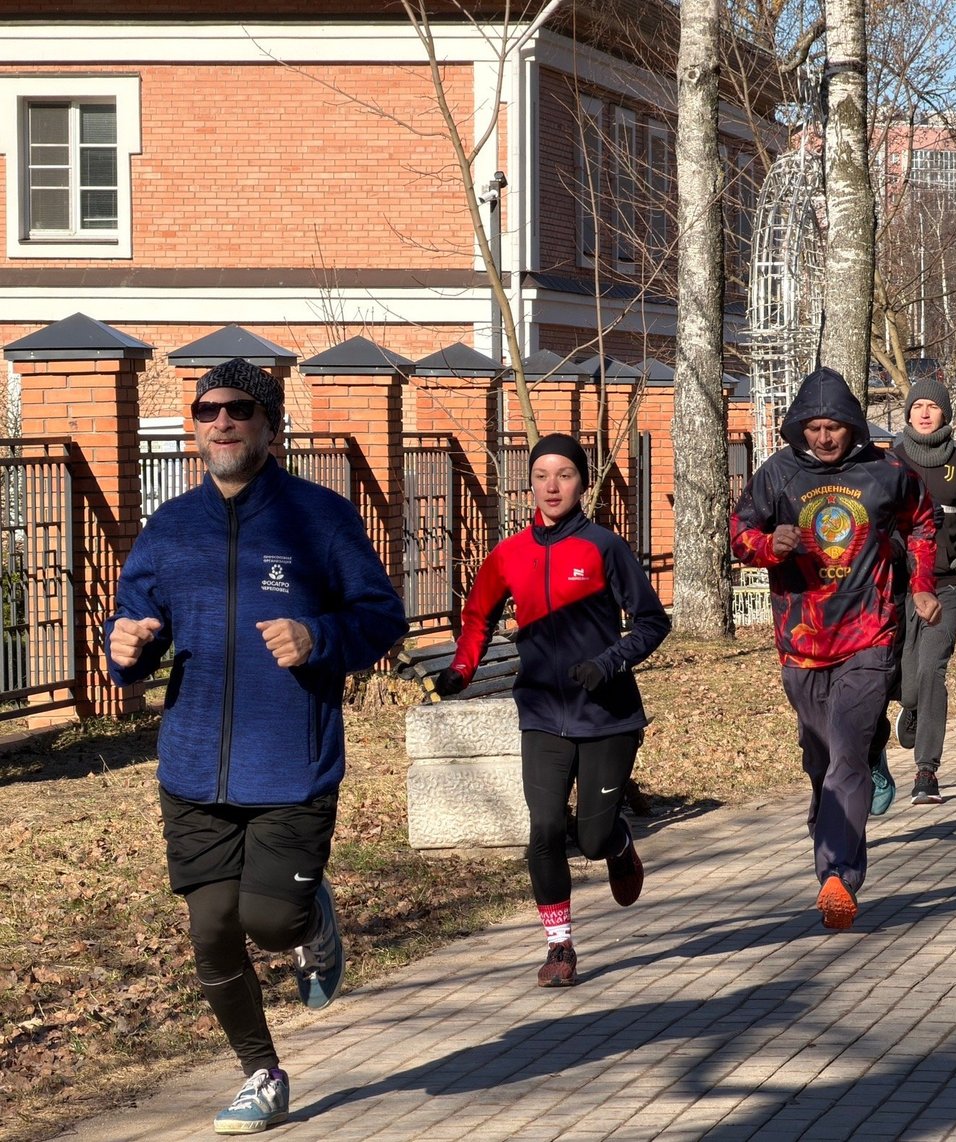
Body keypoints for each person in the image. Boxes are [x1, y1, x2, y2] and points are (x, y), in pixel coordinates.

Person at [107, 358, 408, 1135]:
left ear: (271, 425)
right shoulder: (171, 529)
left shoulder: (320, 519)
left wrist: (318, 636)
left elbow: (381, 616)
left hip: (290, 766)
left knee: (269, 921)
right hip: (192, 768)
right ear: (194, 429)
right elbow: (135, 623)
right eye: (207, 411)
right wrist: (125, 647)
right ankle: (261, 1075)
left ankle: (308, 922)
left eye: (239, 409)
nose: (221, 422)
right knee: (212, 927)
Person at [434, 434, 669, 987]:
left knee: (591, 838)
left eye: (564, 474)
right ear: (530, 484)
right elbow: (477, 616)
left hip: (607, 715)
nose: (552, 486)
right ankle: (559, 947)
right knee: (543, 828)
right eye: (541, 475)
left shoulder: (604, 547)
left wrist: (608, 663)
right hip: (541, 712)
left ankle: (618, 843)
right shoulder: (510, 554)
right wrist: (462, 669)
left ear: (582, 482)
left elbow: (653, 621)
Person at [730, 367, 938, 930]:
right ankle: (833, 833)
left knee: (845, 754)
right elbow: (739, 535)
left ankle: (838, 876)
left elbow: (923, 521)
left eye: (835, 427)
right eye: (814, 428)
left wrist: (921, 586)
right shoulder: (778, 474)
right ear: (800, 427)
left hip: (869, 634)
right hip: (802, 641)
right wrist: (768, 545)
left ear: (852, 426)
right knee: (821, 760)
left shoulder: (886, 472)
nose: (824, 438)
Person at [888, 377, 956, 806]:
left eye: (932, 406)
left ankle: (926, 771)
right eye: (917, 405)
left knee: (932, 669)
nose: (924, 412)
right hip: (897, 587)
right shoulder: (890, 462)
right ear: (908, 412)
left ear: (945, 414)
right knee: (907, 681)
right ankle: (912, 707)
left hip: (945, 587)